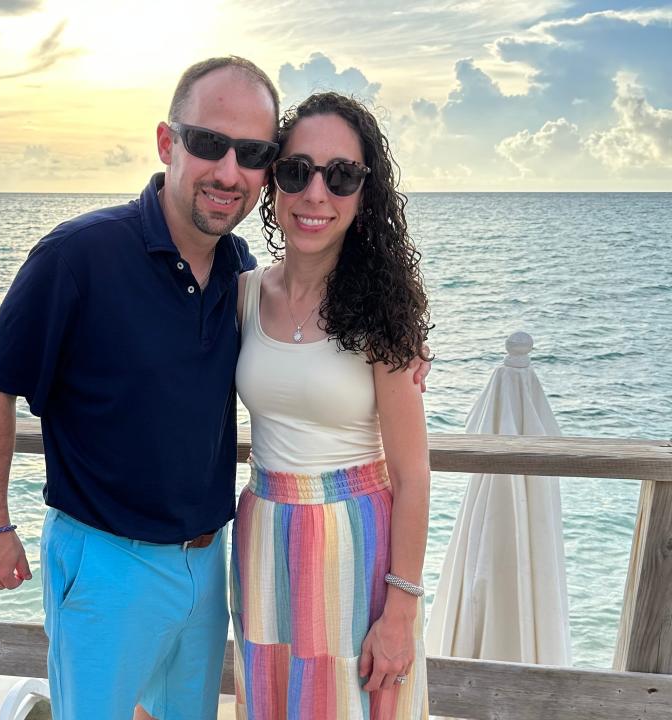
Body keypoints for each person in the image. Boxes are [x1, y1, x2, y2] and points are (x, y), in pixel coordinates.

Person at [0, 58, 429, 720]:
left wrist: (406, 348)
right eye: (209, 144)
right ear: (167, 143)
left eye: (253, 154)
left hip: (217, 562)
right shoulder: (80, 256)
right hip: (110, 560)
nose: (228, 170)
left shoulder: (237, 275)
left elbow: (376, 420)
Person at [230, 92, 431, 719]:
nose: (316, 193)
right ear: (273, 185)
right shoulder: (240, 294)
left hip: (356, 545)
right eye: (297, 171)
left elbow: (413, 475)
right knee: (270, 698)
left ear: (364, 194)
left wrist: (402, 608)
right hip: (263, 536)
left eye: (341, 175)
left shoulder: (381, 316)